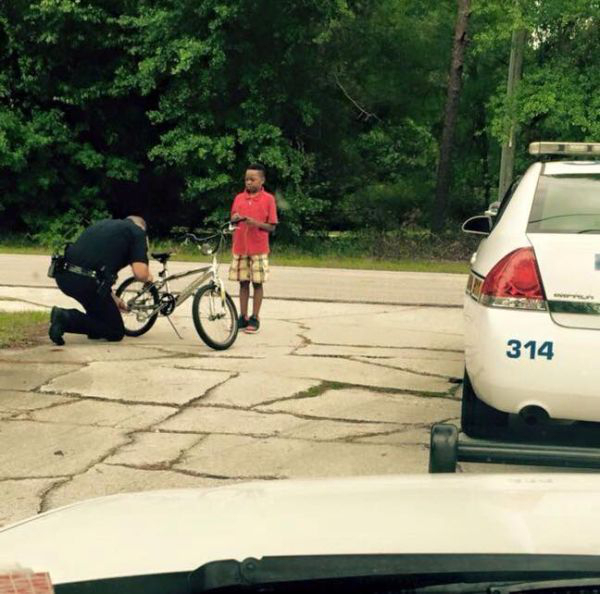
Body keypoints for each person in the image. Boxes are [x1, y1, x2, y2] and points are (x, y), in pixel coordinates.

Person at [48, 215, 153, 345]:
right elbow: (140, 274)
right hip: (85, 283)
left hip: (64, 276)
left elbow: (94, 265)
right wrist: (149, 277)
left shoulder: (103, 224)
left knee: (99, 316)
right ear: (142, 228)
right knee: (115, 331)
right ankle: (66, 318)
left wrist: (114, 298)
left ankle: (92, 329)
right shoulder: (137, 232)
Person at [229, 164, 278, 334]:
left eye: (252, 179)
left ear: (262, 180)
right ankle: (242, 317)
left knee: (257, 283)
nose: (248, 182)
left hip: (258, 248)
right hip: (240, 247)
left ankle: (255, 317)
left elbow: (272, 227)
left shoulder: (268, 199)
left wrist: (255, 223)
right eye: (246, 179)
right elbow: (232, 220)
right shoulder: (239, 198)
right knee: (243, 283)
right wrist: (235, 219)